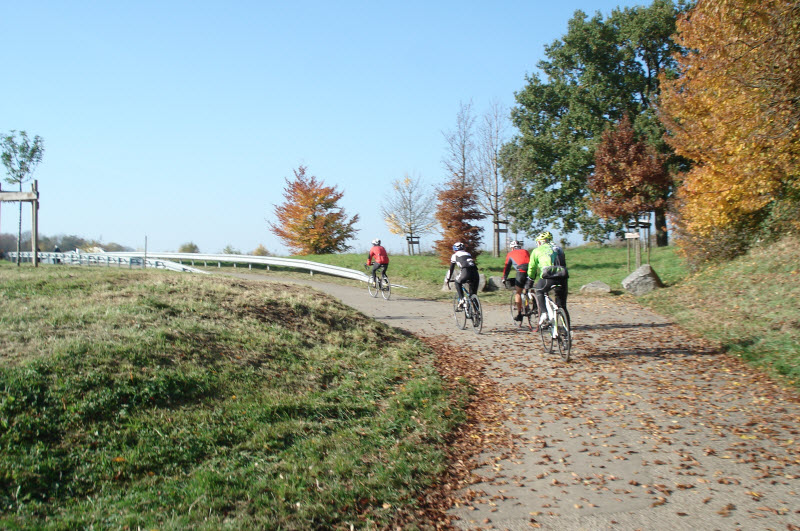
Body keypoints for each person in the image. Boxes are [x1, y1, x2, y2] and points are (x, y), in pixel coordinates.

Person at [526, 231, 570, 331]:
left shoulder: (537, 251)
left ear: (540, 242)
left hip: (548, 276)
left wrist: (530, 281)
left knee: (539, 290)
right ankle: (567, 329)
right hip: (563, 276)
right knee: (562, 305)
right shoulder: (559, 249)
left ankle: (544, 313)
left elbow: (532, 268)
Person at [501, 240, 531, 322]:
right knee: (528, 287)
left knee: (518, 292)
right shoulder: (526, 251)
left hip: (521, 271)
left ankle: (519, 314)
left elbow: (507, 267)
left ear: (512, 248)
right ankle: (534, 303)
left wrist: (504, 277)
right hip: (531, 270)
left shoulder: (510, 254)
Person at [446, 242, 479, 307]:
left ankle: (461, 299)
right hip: (475, 273)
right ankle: (477, 313)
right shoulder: (468, 254)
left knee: (457, 281)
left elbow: (451, 269)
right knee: (473, 295)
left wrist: (448, 279)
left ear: (454, 249)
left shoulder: (454, 256)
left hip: (465, 272)